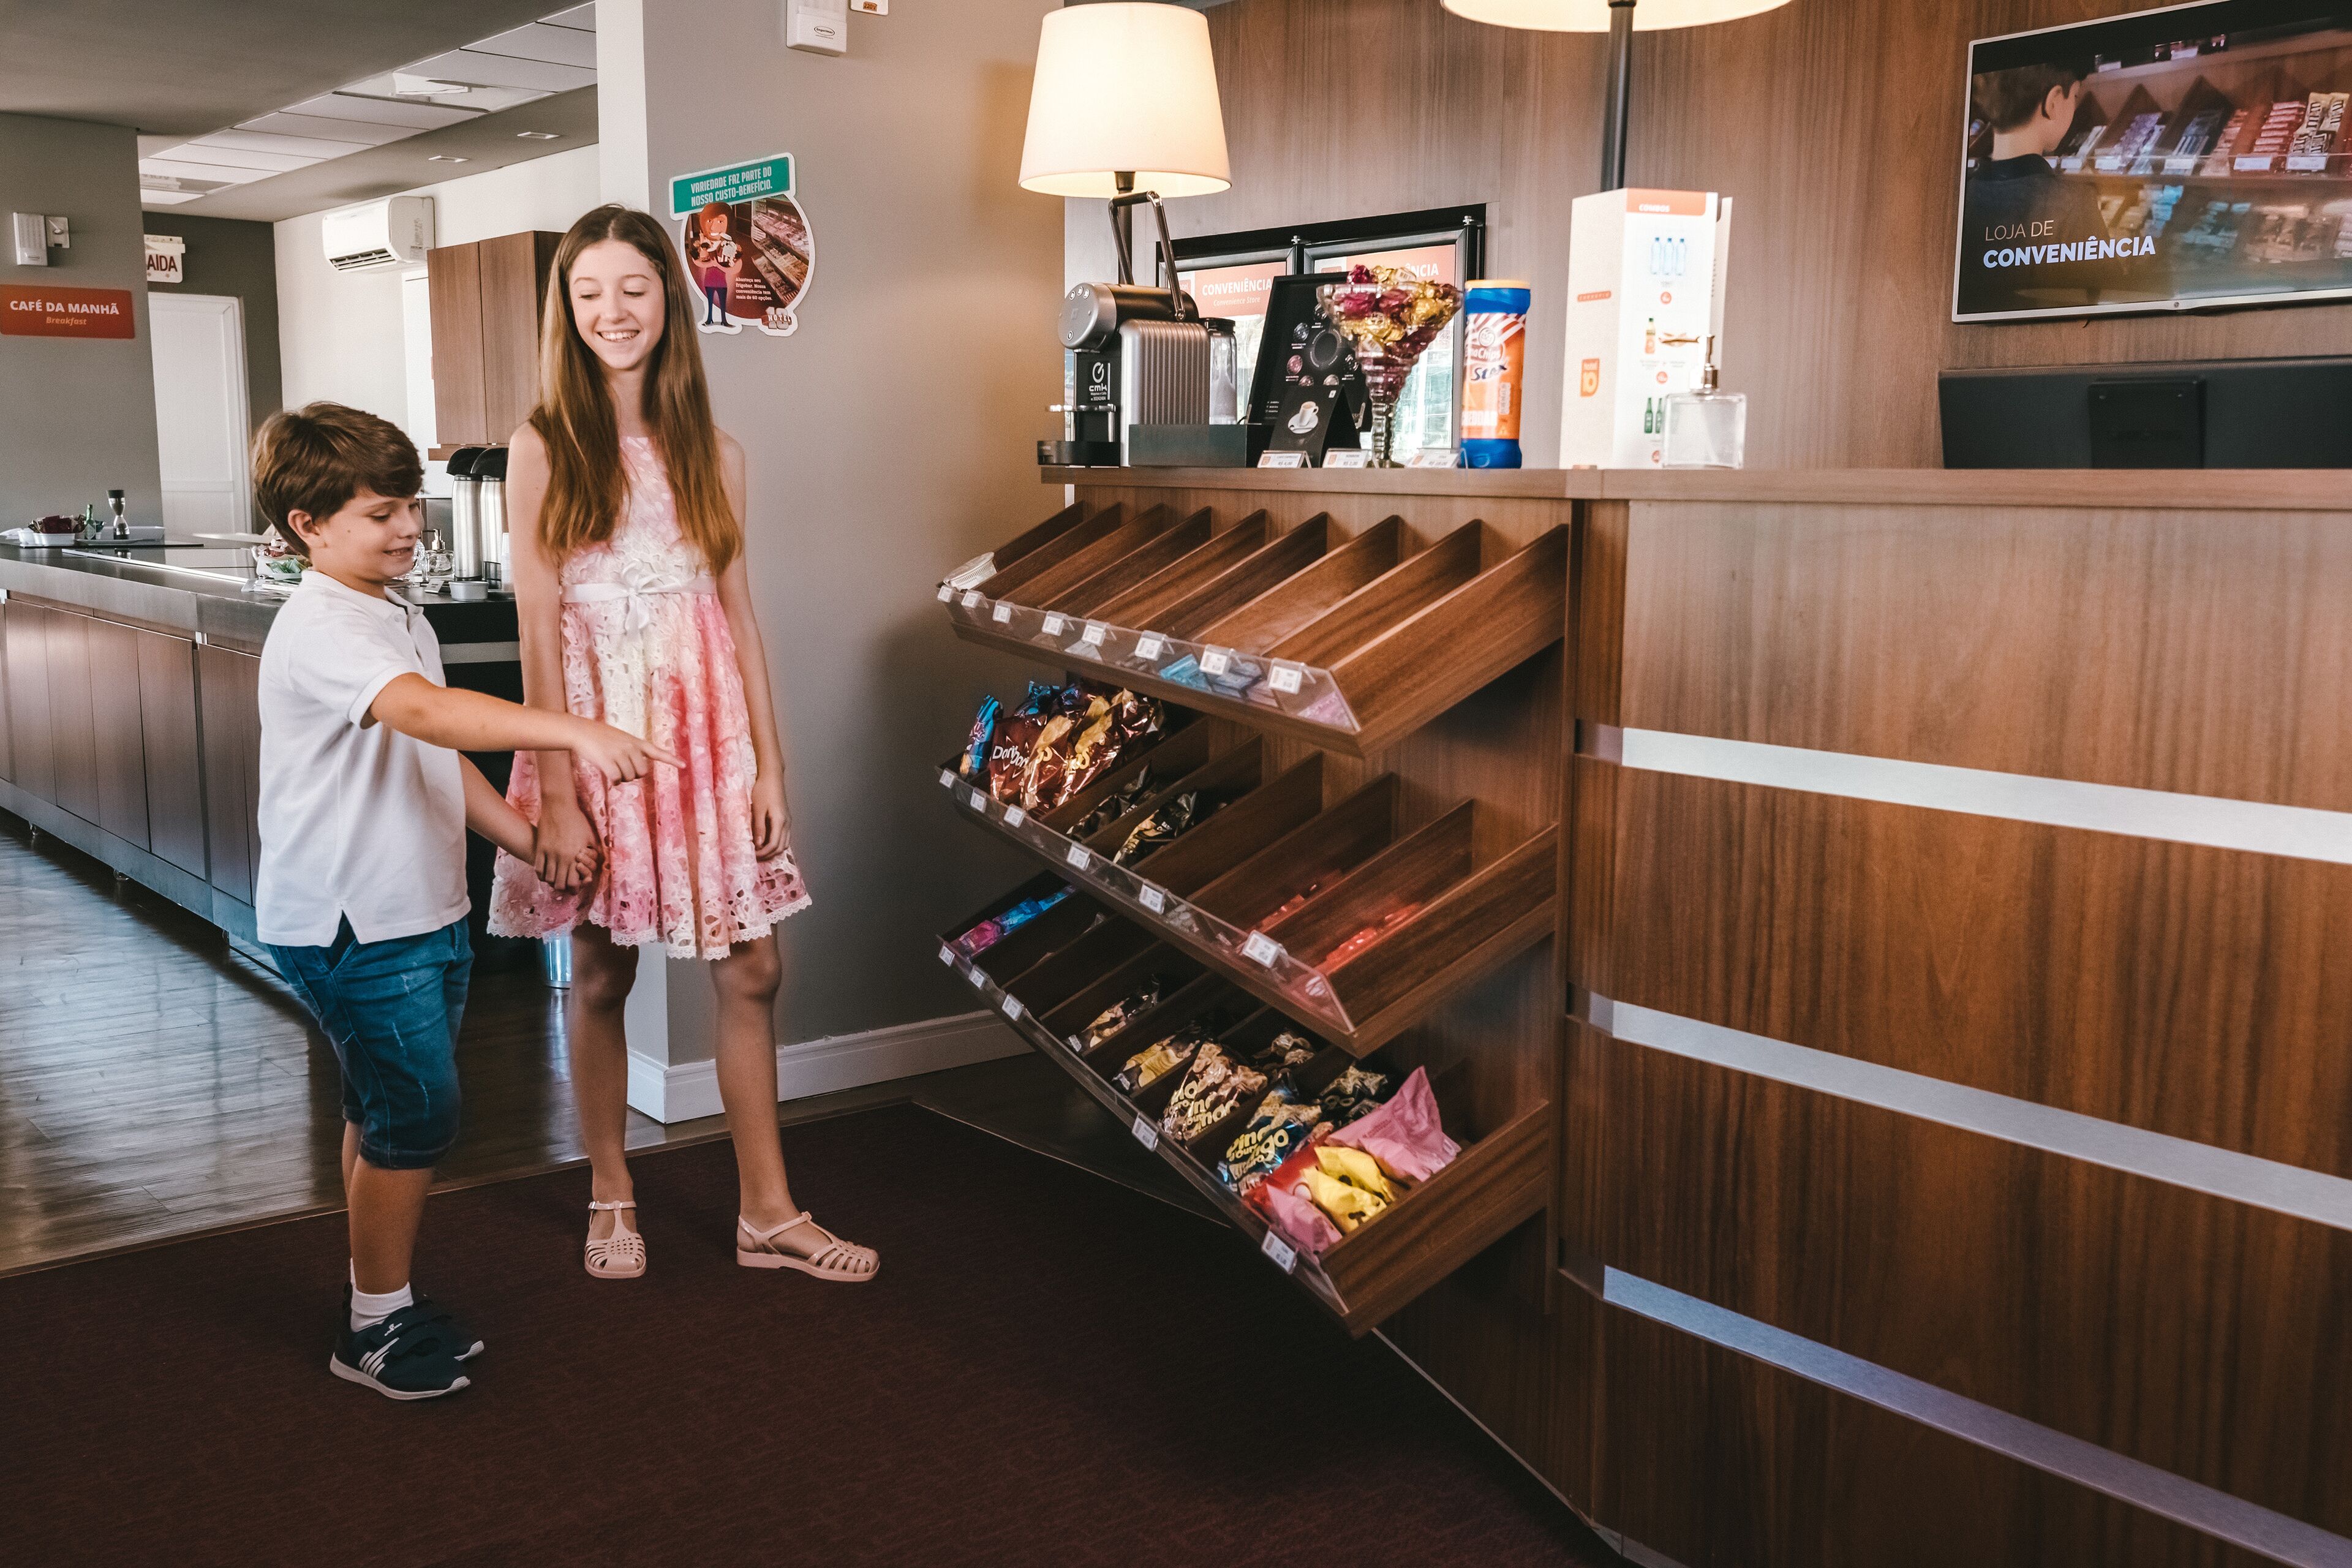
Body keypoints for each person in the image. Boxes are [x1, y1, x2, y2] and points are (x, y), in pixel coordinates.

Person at [251, 403, 675, 1400]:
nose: (408, 529)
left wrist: (529, 842)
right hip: (353, 921)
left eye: (411, 506)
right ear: (308, 524)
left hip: (420, 909)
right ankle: (371, 1331)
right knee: (418, 1115)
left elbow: (433, 752)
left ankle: (377, 1301)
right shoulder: (321, 623)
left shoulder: (393, 608)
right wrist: (575, 731)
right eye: (378, 514)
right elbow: (433, 713)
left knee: (384, 1105)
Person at [489, 205, 877, 1286]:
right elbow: (536, 624)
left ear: (671, 301)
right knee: (602, 971)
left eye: (634, 289)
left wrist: (771, 764)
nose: (613, 312)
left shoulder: (717, 452)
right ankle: (610, 1193)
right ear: (566, 313)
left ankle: (769, 1211)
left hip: (709, 747)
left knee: (754, 966)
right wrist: (556, 792)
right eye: (589, 293)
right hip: (596, 744)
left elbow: (738, 614)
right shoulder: (540, 447)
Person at [1958, 57, 2141, 314]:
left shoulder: (1959, 200)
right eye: (2075, 97)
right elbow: (2111, 299)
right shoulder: (2074, 204)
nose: (2075, 105)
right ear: (2054, 102)